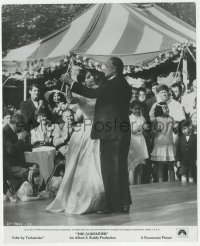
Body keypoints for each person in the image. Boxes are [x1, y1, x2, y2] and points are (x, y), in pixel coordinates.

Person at [47, 57, 132, 214]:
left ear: (114, 68)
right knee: (119, 169)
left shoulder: (113, 84)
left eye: (107, 66)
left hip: (111, 133)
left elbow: (92, 93)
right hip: (119, 132)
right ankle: (123, 203)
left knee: (110, 169)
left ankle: (113, 205)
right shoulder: (123, 83)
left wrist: (71, 82)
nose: (104, 69)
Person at [46, 68, 106, 214]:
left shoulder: (101, 91)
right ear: (83, 80)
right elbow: (70, 99)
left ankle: (101, 198)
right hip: (86, 131)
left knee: (99, 165)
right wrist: (68, 83)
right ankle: (84, 198)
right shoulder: (81, 94)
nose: (91, 79)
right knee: (85, 166)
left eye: (92, 76)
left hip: (102, 129)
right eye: (88, 77)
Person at [3, 114, 32, 197]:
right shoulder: (5, 131)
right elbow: (10, 150)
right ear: (17, 124)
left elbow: (20, 146)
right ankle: (27, 192)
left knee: (35, 166)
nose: (22, 129)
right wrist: (20, 139)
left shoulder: (10, 130)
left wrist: (32, 146)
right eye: (21, 126)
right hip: (10, 166)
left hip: (16, 162)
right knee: (33, 170)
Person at [151, 102, 176, 182]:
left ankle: (173, 183)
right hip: (160, 145)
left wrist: (176, 126)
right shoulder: (157, 119)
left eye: (167, 107)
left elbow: (175, 131)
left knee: (171, 166)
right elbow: (152, 132)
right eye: (165, 108)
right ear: (160, 109)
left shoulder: (171, 118)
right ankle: (160, 184)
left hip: (169, 144)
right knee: (160, 166)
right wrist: (156, 130)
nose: (167, 109)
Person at [128, 101, 149, 185]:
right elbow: (128, 131)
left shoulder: (142, 118)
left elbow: (145, 128)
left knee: (140, 165)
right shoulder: (129, 118)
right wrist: (137, 130)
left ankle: (139, 185)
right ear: (131, 109)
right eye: (135, 109)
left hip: (141, 141)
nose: (137, 110)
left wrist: (145, 127)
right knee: (133, 166)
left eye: (138, 109)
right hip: (133, 141)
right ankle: (133, 186)